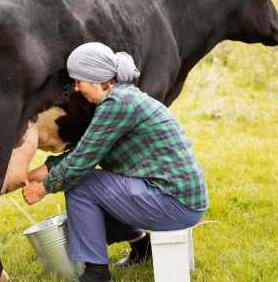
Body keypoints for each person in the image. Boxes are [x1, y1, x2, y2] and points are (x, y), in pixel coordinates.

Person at [22, 42, 208, 282]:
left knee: (80, 184)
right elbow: (82, 152)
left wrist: (44, 188)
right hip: (178, 198)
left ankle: (96, 274)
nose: (76, 89)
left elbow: (80, 164)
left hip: (175, 203)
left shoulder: (117, 105)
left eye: (79, 81)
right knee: (90, 195)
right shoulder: (123, 99)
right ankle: (141, 247)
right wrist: (29, 175)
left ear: (97, 78)